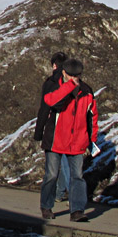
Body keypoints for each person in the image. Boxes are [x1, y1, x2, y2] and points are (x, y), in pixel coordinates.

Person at [40, 58, 99, 222]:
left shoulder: (86, 91)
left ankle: (77, 210)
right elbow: (50, 101)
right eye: (71, 75)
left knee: (77, 176)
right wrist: (69, 86)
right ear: (64, 73)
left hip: (77, 141)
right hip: (55, 140)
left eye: (77, 75)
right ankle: (46, 206)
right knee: (51, 175)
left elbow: (92, 116)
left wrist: (91, 139)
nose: (75, 78)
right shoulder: (55, 86)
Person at [34, 51, 71, 204]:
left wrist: (39, 132)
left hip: (55, 128)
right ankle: (60, 192)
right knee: (67, 162)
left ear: (54, 65)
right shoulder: (73, 82)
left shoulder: (51, 83)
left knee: (54, 168)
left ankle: (61, 197)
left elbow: (44, 108)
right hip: (71, 127)